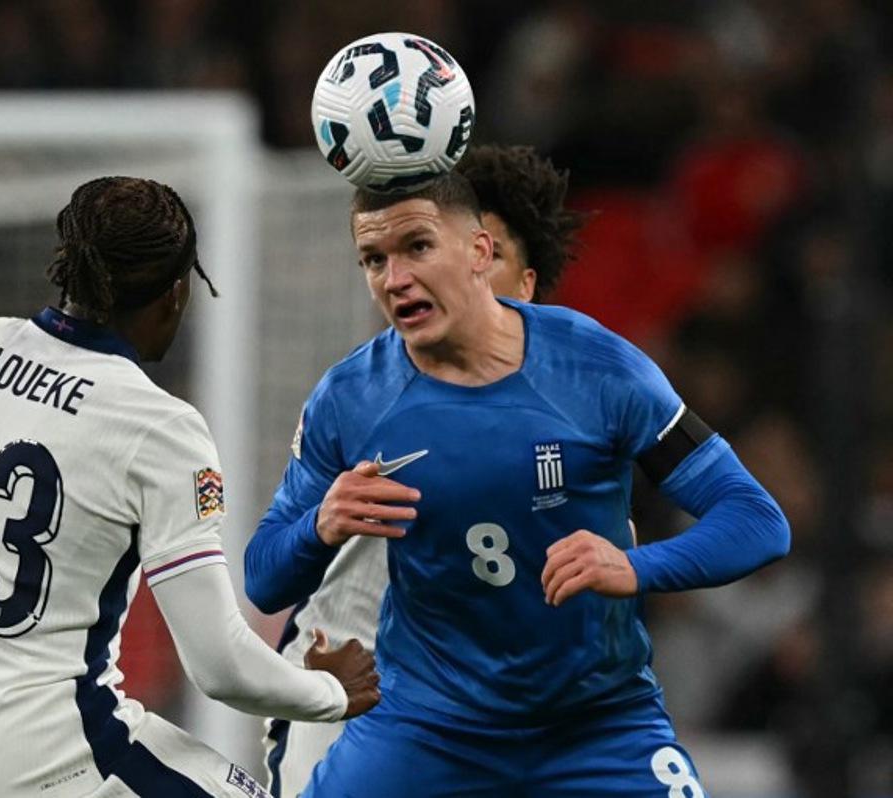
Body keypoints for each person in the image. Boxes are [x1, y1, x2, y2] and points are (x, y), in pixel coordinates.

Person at [0, 176, 380, 798]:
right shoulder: (156, 426)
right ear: (177, 292)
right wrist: (328, 692)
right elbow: (219, 666)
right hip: (72, 761)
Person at [244, 169, 791, 797]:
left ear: (480, 252)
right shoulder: (350, 398)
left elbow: (756, 520)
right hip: (426, 730)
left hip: (596, 728)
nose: (394, 280)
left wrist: (638, 567)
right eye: (373, 260)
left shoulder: (597, 368)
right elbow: (264, 576)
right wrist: (319, 525)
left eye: (417, 248)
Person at [252, 143, 588, 796]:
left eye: (483, 257)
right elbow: (265, 576)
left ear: (524, 286)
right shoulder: (363, 397)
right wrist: (320, 525)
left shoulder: (583, 423)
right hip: (351, 693)